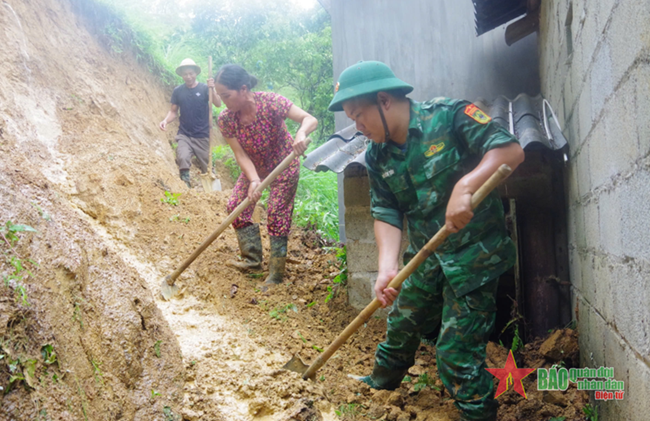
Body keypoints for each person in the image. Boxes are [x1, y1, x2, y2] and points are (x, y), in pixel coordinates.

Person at [328, 61, 525, 421]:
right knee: (401, 322)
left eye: (359, 116)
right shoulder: (377, 155)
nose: (357, 126)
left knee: (455, 356)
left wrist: (466, 186)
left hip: (474, 259)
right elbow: (386, 211)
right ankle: (380, 388)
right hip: (426, 255)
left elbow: (510, 151)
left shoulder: (450, 116)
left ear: (384, 100)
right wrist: (387, 268)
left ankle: (478, 412)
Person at [215, 64, 317, 285]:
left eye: (226, 95)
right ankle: (252, 260)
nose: (224, 101)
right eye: (220, 96)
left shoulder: (271, 102)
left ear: (243, 89)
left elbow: (310, 119)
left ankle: (276, 273)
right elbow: (240, 153)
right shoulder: (226, 119)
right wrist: (253, 179)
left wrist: (300, 133)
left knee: (276, 213)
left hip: (284, 164)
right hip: (255, 168)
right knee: (235, 206)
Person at [159, 58, 222, 188]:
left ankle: (215, 193)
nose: (188, 77)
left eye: (191, 73)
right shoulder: (178, 91)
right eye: (185, 74)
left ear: (196, 73)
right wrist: (165, 121)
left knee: (208, 166)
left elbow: (218, 103)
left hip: (202, 135)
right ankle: (185, 186)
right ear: (181, 75)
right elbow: (173, 111)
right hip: (184, 134)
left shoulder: (205, 88)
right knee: (182, 157)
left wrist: (213, 89)